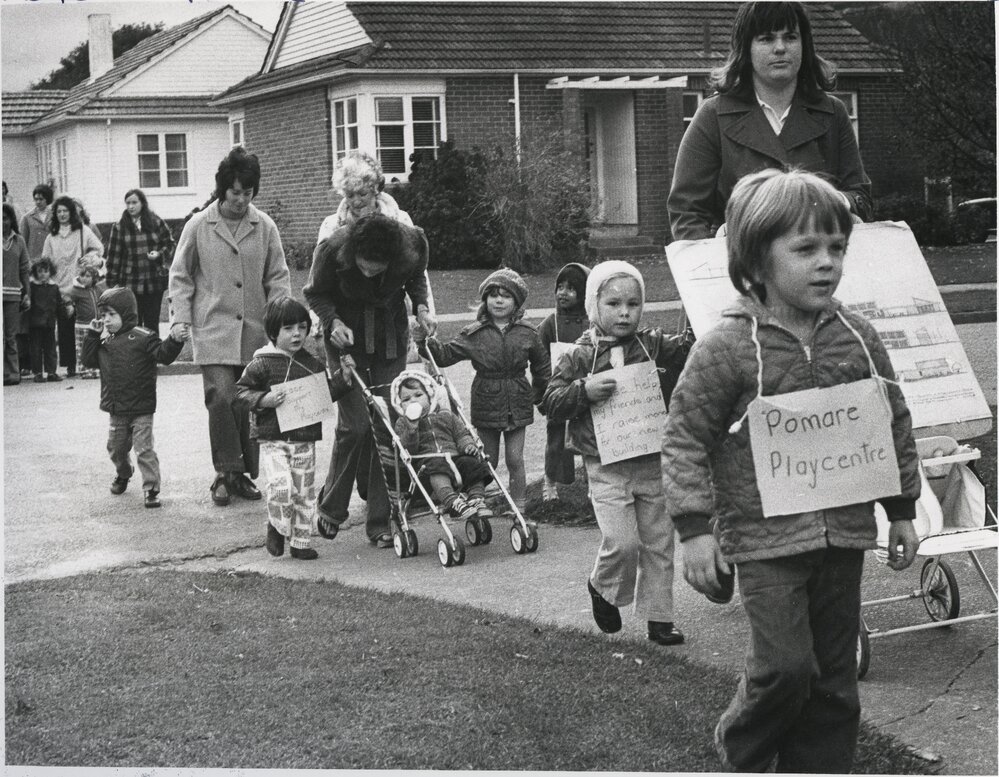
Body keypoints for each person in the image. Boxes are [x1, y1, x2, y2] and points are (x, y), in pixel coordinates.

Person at [662, 169, 920, 772]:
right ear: (756, 258)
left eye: (837, 247)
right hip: (764, 537)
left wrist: (903, 510)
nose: (826, 262)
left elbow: (893, 422)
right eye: (805, 249)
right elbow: (685, 437)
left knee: (833, 676)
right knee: (785, 667)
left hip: (843, 533)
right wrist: (695, 529)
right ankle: (745, 750)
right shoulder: (726, 347)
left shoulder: (859, 337)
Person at [542, 260, 691, 646]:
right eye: (613, 304)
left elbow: (693, 351)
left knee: (659, 542)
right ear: (594, 306)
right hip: (606, 465)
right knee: (622, 542)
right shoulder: (579, 355)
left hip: (651, 460)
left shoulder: (654, 344)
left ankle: (660, 617)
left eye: (634, 304)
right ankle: (602, 586)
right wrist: (583, 391)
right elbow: (550, 401)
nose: (625, 312)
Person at [668, 1, 873, 241]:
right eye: (766, 39)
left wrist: (832, 200)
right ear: (746, 49)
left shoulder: (833, 113)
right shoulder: (712, 115)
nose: (780, 48)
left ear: (804, 45)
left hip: (815, 261)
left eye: (790, 37)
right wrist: (720, 258)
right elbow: (686, 213)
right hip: (741, 268)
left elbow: (861, 199)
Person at [303, 206, 435, 547]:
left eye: (378, 270)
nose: (370, 274)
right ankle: (331, 507)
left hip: (390, 339)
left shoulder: (412, 244)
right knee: (356, 425)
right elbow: (314, 293)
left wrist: (421, 306)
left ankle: (381, 520)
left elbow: (416, 278)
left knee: (387, 426)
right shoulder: (331, 249)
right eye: (363, 267)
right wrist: (332, 322)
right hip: (345, 337)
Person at [168, 147, 292, 508]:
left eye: (248, 193)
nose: (240, 200)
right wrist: (181, 319)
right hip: (213, 329)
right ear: (223, 190)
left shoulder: (265, 226)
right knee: (221, 397)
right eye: (235, 193)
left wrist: (281, 324)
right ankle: (225, 472)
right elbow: (180, 276)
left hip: (255, 331)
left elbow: (278, 277)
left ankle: (242, 475)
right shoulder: (198, 225)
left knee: (248, 403)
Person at [235, 297, 354, 560]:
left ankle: (300, 542)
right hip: (273, 439)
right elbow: (241, 393)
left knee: (303, 493)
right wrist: (263, 400)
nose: (297, 334)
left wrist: (343, 380)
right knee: (281, 487)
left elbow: (323, 394)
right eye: (288, 329)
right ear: (273, 332)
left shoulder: (310, 363)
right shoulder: (262, 363)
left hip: (304, 440)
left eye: (302, 327)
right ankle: (277, 526)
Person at [424, 268, 550, 513]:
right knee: (485, 459)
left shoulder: (528, 333)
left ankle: (519, 507)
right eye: (493, 295)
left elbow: (542, 368)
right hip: (486, 400)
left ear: (517, 302)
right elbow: (444, 355)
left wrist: (542, 397)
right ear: (485, 300)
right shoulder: (475, 334)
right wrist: (425, 342)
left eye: (506, 296)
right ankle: (476, 501)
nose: (499, 300)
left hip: (518, 400)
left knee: (515, 458)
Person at [81, 287, 188, 509]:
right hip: (116, 408)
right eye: (103, 315)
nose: (107, 320)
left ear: (127, 313)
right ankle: (123, 472)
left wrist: (175, 340)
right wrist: (92, 334)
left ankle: (151, 488)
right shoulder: (104, 341)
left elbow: (164, 355)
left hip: (142, 408)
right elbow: (89, 361)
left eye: (112, 314)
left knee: (144, 449)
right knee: (116, 448)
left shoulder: (144, 337)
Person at [391, 369, 494, 522]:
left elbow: (461, 434)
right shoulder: (402, 423)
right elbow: (407, 450)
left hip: (455, 457)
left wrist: (467, 445)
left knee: (473, 464)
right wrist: (412, 430)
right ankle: (453, 502)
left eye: (418, 395)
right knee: (437, 469)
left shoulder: (446, 416)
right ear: (400, 405)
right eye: (406, 399)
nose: (413, 401)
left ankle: (477, 499)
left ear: (430, 396)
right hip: (428, 462)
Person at [537, 262, 590, 501]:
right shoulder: (551, 323)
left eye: (571, 288)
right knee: (556, 441)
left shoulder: (592, 322)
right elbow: (539, 361)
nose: (563, 293)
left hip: (586, 392)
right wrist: (540, 393)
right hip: (558, 393)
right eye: (560, 287)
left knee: (589, 439)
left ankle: (593, 485)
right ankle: (551, 483)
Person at [41, 195, 104, 378]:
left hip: (80, 286)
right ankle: (70, 366)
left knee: (85, 325)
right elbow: (46, 261)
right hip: (61, 288)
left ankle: (87, 362)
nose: (62, 214)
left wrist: (90, 259)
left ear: (71, 213)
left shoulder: (83, 231)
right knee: (65, 328)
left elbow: (99, 248)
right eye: (59, 211)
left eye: (65, 211)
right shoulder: (51, 237)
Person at [106, 189, 176, 330]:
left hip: (154, 282)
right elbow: (114, 257)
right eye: (128, 203)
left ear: (142, 203)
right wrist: (112, 283)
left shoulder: (156, 222)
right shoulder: (119, 227)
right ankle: (135, 352)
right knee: (133, 324)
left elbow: (170, 245)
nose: (131, 206)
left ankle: (154, 352)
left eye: (134, 202)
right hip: (130, 283)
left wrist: (159, 254)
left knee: (152, 324)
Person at [3, 203, 31, 385]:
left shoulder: (19, 241)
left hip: (13, 295)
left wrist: (27, 294)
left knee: (10, 335)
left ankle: (13, 373)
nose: (1, 222)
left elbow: (24, 270)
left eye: (4, 218)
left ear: (11, 220)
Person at [67, 265, 107, 379]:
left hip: (96, 325)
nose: (84, 278)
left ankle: (94, 369)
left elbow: (104, 300)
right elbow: (66, 296)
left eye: (88, 276)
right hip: (82, 324)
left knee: (95, 347)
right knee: (82, 348)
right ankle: (84, 370)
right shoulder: (76, 290)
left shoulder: (98, 289)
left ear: (94, 278)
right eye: (82, 275)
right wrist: (69, 305)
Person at [26, 258, 61, 383]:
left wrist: (62, 314)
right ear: (35, 272)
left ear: (50, 272)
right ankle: (37, 373)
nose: (42, 274)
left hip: (50, 322)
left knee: (51, 348)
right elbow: (29, 304)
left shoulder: (54, 287)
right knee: (35, 348)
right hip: (35, 323)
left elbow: (58, 303)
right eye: (39, 271)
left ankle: (51, 372)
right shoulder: (32, 286)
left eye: (45, 271)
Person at [18, 184, 52, 261]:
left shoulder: (54, 216)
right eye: (36, 199)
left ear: (47, 199)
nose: (38, 202)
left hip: (50, 257)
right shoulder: (27, 218)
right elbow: (22, 241)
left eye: (41, 199)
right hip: (33, 258)